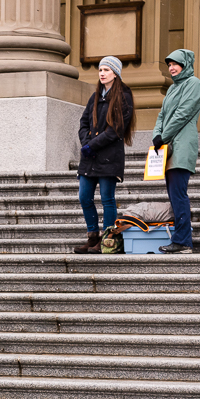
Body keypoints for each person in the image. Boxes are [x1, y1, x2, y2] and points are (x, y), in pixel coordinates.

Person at [74, 56, 136, 254]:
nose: (102, 73)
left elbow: (116, 129)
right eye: (100, 70)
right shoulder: (95, 96)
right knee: (84, 197)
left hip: (109, 157)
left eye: (107, 70)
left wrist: (93, 144)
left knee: (107, 198)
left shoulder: (124, 96)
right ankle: (93, 237)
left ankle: (108, 239)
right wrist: (86, 143)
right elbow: (83, 123)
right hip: (90, 157)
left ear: (115, 74)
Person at [153, 49, 200, 254]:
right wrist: (157, 134)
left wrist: (163, 136)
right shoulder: (173, 88)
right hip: (170, 147)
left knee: (178, 195)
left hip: (182, 146)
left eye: (175, 64)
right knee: (175, 195)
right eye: (169, 65)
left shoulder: (193, 84)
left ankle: (183, 241)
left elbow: (183, 114)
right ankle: (181, 240)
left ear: (185, 65)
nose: (171, 68)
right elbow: (162, 115)